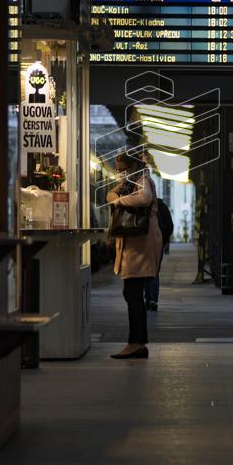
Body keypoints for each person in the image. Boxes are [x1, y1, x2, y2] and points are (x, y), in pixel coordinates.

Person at [107, 152, 163, 359]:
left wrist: (120, 202)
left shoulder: (142, 180)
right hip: (134, 245)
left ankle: (136, 343)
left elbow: (144, 198)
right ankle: (137, 342)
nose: (120, 173)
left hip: (142, 245)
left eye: (122, 168)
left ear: (132, 166)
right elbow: (109, 196)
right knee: (132, 293)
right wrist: (119, 198)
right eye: (118, 169)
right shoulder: (128, 183)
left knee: (133, 293)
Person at [145, 198, 175, 311]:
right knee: (154, 271)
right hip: (157, 243)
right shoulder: (162, 206)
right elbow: (170, 226)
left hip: (142, 244)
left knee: (143, 271)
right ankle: (152, 300)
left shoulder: (140, 205)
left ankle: (147, 298)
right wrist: (163, 240)